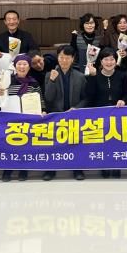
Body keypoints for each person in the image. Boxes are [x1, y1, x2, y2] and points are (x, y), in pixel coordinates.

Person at [0, 53, 45, 183]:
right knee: (9, 145)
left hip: (28, 120)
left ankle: (23, 169)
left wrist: (43, 110)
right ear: (14, 66)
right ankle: (8, 169)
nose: (22, 67)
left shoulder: (34, 83)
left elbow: (40, 99)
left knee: (25, 145)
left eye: (25, 64)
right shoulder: (7, 81)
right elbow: (0, 101)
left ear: (29, 67)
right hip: (11, 120)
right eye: (19, 64)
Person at [43, 45, 88, 181]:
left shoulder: (80, 76)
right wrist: (52, 80)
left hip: (74, 116)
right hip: (56, 116)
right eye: (61, 57)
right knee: (53, 145)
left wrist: (76, 108)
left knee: (75, 144)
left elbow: (86, 98)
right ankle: (50, 170)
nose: (64, 60)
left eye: (67, 58)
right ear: (57, 58)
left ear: (73, 59)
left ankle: (77, 170)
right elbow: (48, 98)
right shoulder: (50, 75)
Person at [86, 47, 127, 178]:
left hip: (118, 114)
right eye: (106, 59)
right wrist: (92, 76)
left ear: (116, 61)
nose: (109, 62)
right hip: (100, 115)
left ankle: (117, 166)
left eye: (112, 59)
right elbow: (89, 95)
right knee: (102, 142)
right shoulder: (94, 75)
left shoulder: (122, 75)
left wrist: (123, 100)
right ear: (101, 61)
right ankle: (104, 166)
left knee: (117, 141)